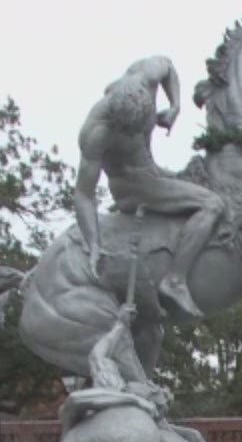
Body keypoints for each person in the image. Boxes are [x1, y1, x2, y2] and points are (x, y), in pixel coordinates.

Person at [74, 55, 223, 319]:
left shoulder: (145, 75)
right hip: (131, 184)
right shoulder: (96, 133)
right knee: (211, 204)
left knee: (207, 177)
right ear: (116, 121)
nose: (136, 135)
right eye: (129, 131)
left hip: (153, 171)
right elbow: (84, 195)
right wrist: (93, 243)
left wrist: (175, 106)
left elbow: (169, 66)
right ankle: (175, 281)